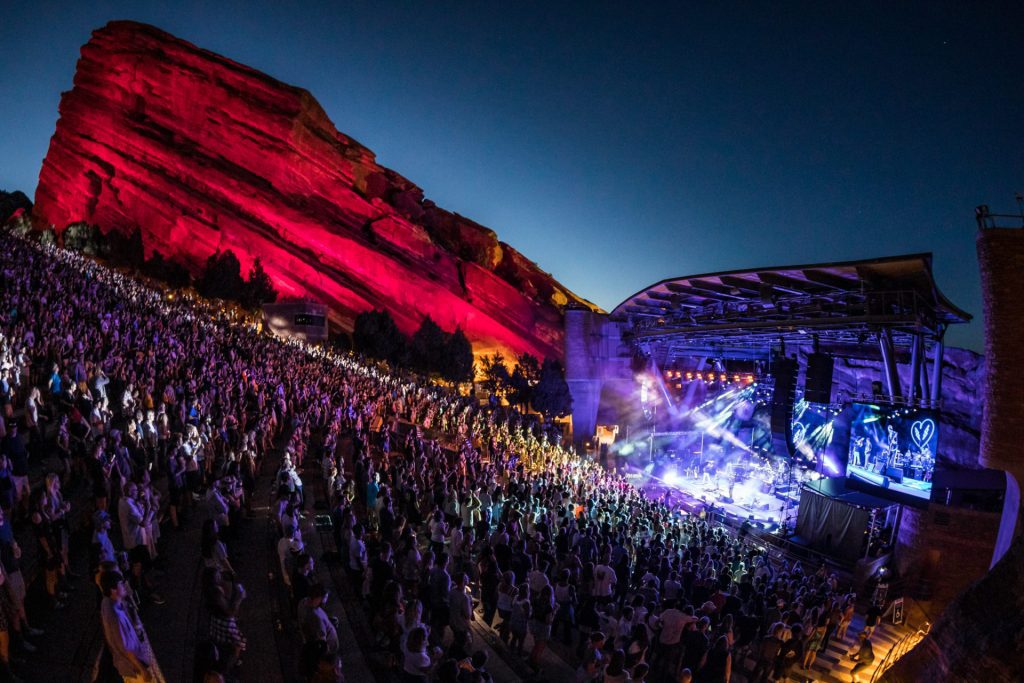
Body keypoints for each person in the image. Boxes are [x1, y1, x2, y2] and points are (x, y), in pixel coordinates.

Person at [99, 571, 157, 682]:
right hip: (134, 669)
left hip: (130, 664)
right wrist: (142, 670)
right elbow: (126, 648)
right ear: (113, 590)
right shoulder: (116, 617)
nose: (125, 585)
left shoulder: (107, 602)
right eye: (121, 584)